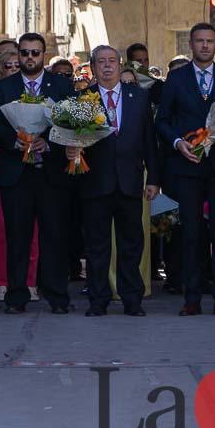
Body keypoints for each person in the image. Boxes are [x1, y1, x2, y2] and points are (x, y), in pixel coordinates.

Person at [156, 23, 215, 317]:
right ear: (190, 45)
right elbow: (162, 120)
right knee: (191, 232)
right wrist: (178, 142)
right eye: (200, 41)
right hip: (188, 164)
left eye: (210, 41)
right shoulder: (176, 79)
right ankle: (191, 297)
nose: (205, 46)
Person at [0, 33, 77, 314]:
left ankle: (57, 296)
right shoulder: (4, 87)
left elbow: (71, 123)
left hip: (51, 173)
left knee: (55, 236)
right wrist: (14, 141)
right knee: (17, 237)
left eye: (35, 53)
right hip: (17, 173)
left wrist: (48, 141)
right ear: (18, 54)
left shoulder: (62, 86)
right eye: (25, 53)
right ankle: (17, 296)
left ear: (44, 54)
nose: (30, 58)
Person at [75, 46, 159, 316]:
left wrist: (153, 178)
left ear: (121, 65)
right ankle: (98, 301)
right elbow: (73, 139)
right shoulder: (82, 99)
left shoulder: (138, 97)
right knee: (97, 246)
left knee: (131, 243)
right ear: (93, 67)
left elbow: (149, 141)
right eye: (101, 62)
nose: (107, 66)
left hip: (130, 181)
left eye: (112, 61)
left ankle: (132, 299)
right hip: (95, 182)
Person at [0, 49, 39, 303]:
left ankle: (29, 282)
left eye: (19, 65)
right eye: (9, 66)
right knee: (3, 231)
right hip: (2, 173)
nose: (15, 69)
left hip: (35, 170)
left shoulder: (36, 97)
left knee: (33, 232)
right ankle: (3, 281)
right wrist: (10, 142)